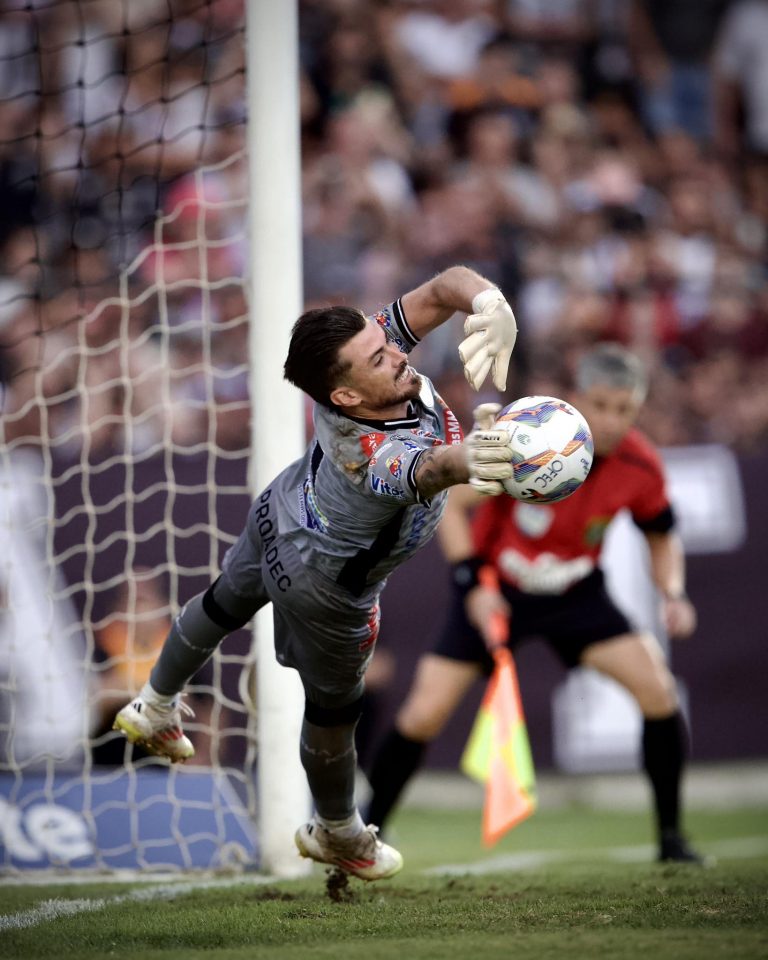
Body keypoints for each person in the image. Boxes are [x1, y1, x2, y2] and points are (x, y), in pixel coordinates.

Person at [112, 265, 518, 881]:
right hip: (325, 587)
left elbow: (441, 289)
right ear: (345, 398)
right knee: (334, 713)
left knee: (224, 601)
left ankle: (155, 703)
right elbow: (432, 468)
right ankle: (337, 831)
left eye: (387, 345)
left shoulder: (365, 363)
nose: (397, 356)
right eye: (379, 359)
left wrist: (489, 302)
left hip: (284, 508)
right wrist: (478, 457)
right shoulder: (372, 453)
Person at [365, 343, 704, 864]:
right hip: (497, 590)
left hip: (575, 592)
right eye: (602, 405)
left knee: (658, 692)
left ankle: (672, 840)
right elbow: (454, 507)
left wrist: (672, 592)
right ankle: (366, 834)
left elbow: (662, 533)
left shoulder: (640, 463)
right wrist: (474, 584)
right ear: (574, 398)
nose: (613, 421)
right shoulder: (524, 440)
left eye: (625, 409)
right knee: (423, 713)